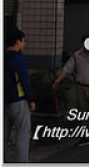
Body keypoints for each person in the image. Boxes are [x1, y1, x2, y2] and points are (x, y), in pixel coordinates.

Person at [53, 35, 89, 147]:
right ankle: (84, 136)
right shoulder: (76, 56)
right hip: (81, 86)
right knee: (83, 112)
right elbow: (66, 69)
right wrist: (57, 81)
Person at [5, 29, 35, 162]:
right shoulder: (18, 59)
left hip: (4, 100)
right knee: (22, 134)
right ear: (18, 41)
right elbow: (24, 80)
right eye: (23, 40)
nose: (24, 43)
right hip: (18, 100)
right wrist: (31, 99)